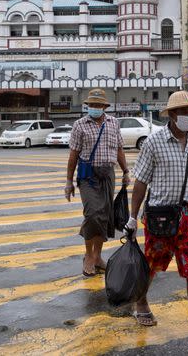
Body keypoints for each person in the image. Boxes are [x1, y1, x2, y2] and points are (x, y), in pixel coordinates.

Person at [126, 90, 188, 354]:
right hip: (160, 217)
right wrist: (132, 217)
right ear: (171, 115)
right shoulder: (153, 142)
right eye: (185, 112)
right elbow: (140, 183)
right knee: (151, 266)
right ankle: (141, 301)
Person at [65, 88, 130, 277]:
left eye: (97, 105)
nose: (94, 108)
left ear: (104, 107)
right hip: (88, 176)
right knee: (93, 213)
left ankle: (98, 257)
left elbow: (119, 150)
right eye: (91, 105)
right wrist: (69, 182)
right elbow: (73, 155)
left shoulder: (113, 123)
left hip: (108, 174)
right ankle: (88, 256)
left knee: (104, 216)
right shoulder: (79, 125)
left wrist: (126, 171)